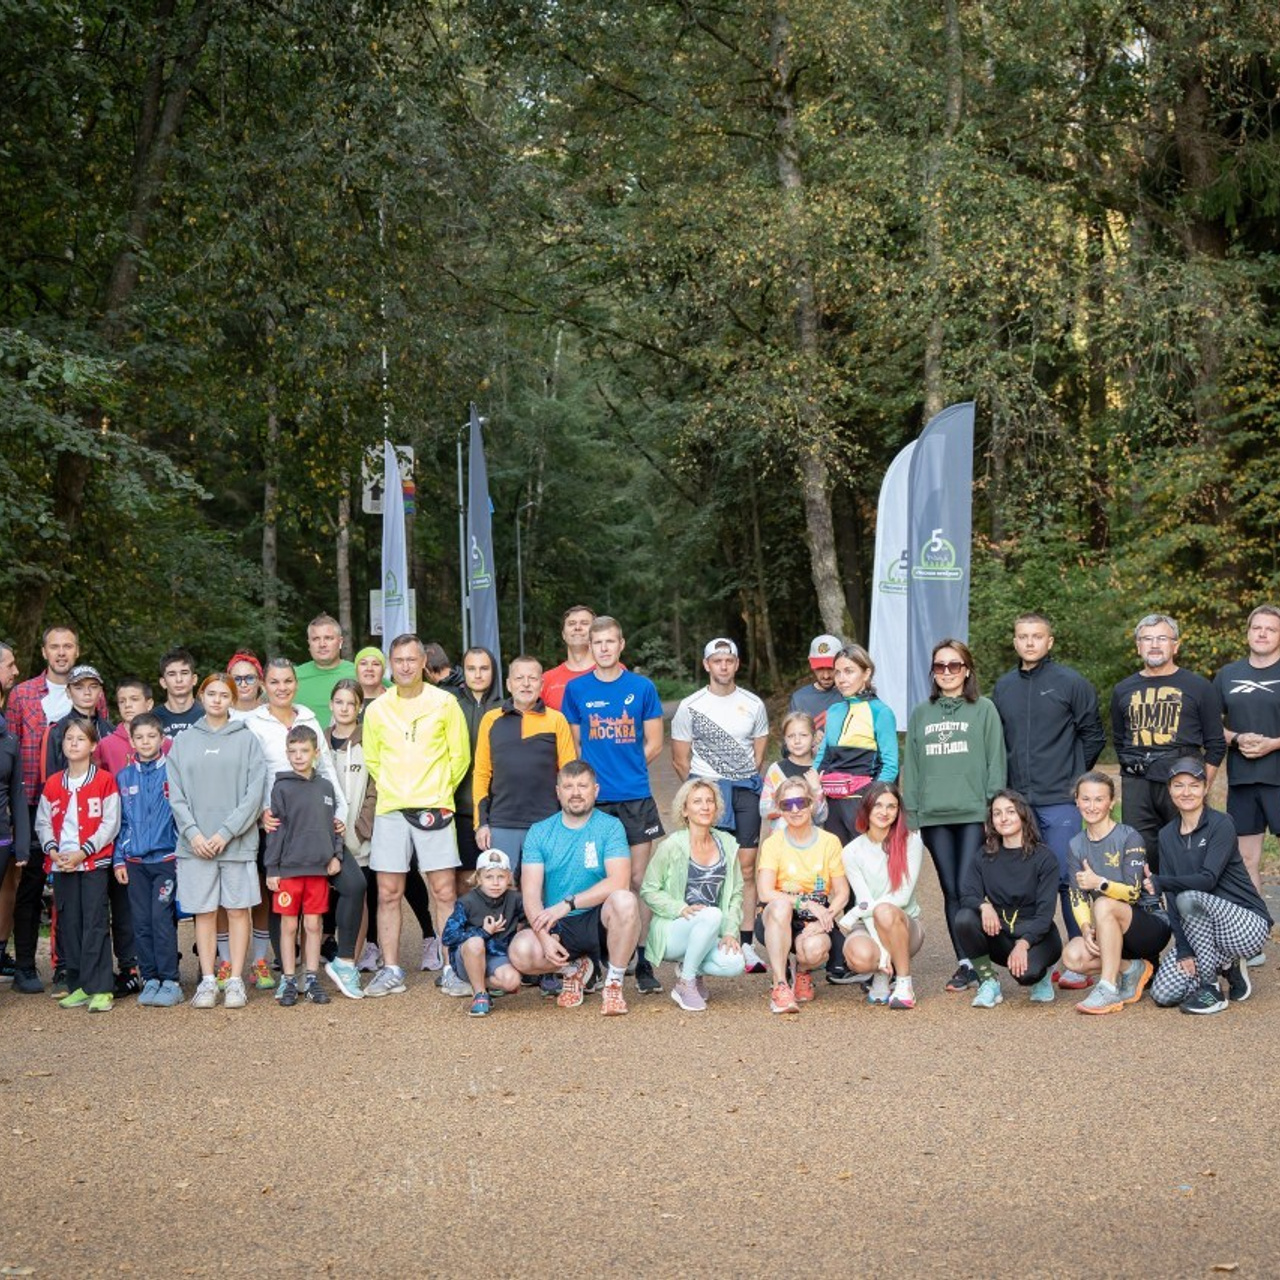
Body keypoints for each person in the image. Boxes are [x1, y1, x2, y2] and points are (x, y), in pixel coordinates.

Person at [991, 612, 1106, 968]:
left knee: (1067, 879)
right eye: (1023, 636)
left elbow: (1093, 735)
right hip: (1018, 801)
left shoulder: (1071, 683)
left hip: (1058, 799)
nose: (1030, 642)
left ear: (1049, 641)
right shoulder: (1004, 687)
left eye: (1037, 636)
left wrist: (1073, 777)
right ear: (1014, 641)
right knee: (1025, 882)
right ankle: (1034, 960)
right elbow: (999, 741)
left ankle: (1080, 956)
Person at [361, 634, 470, 998]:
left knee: (444, 890)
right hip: (391, 808)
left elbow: (459, 756)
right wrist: (396, 789)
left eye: (412, 659)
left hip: (435, 807)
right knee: (388, 891)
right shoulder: (377, 709)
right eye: (399, 660)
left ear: (424, 662)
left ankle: (451, 968)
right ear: (391, 664)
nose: (405, 666)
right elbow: (373, 759)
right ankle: (391, 969)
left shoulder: (444, 702)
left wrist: (438, 791)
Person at [561, 615, 665, 994]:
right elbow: (576, 746)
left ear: (621, 645)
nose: (604, 648)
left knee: (636, 880)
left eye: (610, 642)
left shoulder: (642, 687)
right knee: (596, 880)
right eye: (598, 642)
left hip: (635, 797)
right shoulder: (576, 689)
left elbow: (655, 742)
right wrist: (590, 785)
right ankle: (599, 958)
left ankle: (643, 961)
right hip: (597, 803)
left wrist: (629, 769)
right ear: (590, 647)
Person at [901, 638, 1007, 994]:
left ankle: (982, 960)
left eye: (954, 665)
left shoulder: (984, 709)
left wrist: (993, 809)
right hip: (934, 815)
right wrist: (912, 813)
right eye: (940, 666)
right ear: (933, 672)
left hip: (973, 812)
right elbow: (912, 766)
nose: (947, 672)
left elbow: (996, 760)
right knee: (950, 889)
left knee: (967, 887)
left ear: (967, 670)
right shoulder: (921, 713)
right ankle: (966, 963)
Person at [7, 625, 101, 994]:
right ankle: (25, 966)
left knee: (77, 885)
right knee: (30, 885)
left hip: (83, 806)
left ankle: (71, 965)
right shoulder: (23, 694)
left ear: (77, 651)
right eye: (55, 646)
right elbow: (9, 748)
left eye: (68, 646)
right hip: (33, 802)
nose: (61, 652)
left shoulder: (90, 694)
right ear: (45, 652)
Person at [506, 760, 640, 1016]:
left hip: (600, 919)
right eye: (568, 786)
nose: (575, 793)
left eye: (582, 786)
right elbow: (531, 895)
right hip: (560, 926)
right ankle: (574, 969)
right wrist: (543, 937)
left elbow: (619, 882)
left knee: (625, 900)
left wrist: (568, 904)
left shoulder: (610, 827)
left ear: (595, 790)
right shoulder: (539, 832)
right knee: (520, 951)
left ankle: (613, 984)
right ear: (558, 792)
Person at [166, 673, 267, 1009]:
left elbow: (254, 794)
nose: (217, 700)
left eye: (224, 695)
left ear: (232, 700)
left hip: (236, 843)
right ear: (201, 696)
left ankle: (235, 980)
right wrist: (193, 833)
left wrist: (225, 833)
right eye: (211, 694)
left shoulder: (247, 740)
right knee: (205, 912)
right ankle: (209, 979)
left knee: (237, 910)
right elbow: (176, 794)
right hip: (195, 846)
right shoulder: (184, 741)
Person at [246, 657, 348, 984]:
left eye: (288, 681)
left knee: (336, 893)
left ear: (296, 683)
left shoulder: (308, 718)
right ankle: (287, 972)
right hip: (275, 822)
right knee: (280, 899)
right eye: (274, 682)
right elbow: (250, 773)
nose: (282, 688)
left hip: (314, 823)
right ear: (264, 685)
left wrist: (340, 812)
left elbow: (326, 767)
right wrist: (260, 810)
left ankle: (316, 968)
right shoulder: (253, 722)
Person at [670, 638, 768, 974]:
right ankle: (701, 938)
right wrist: (703, 792)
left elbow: (758, 753)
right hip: (709, 791)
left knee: (747, 867)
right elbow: (680, 759)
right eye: (717, 660)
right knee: (705, 866)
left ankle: (745, 943)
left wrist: (740, 778)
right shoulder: (690, 705)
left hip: (744, 791)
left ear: (736, 664)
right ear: (706, 664)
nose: (723, 666)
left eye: (729, 660)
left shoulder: (753, 704)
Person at [1147, 757, 1273, 1015]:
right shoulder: (1166, 835)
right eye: (1179, 785)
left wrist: (1160, 881)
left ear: (1205, 789)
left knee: (1189, 898)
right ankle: (1226, 965)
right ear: (1170, 790)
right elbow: (1171, 897)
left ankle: (1211, 989)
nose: (1186, 792)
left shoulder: (1221, 823)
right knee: (1163, 994)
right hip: (1202, 931)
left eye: (1194, 785)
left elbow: (1207, 880)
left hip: (1245, 924)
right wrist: (1184, 949)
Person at [1109, 613, 1225, 870]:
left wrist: (1201, 784)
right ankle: (1148, 898)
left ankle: (1187, 897)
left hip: (1182, 778)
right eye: (1147, 639)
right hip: (1138, 784)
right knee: (1140, 853)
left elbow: (1216, 744)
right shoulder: (1122, 689)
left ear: (1176, 645)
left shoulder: (1198, 687)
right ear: (1138, 646)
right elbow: (1119, 740)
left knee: (1186, 853)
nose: (1154, 644)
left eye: (1162, 638)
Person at [1059, 771, 1168, 1015]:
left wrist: (1100, 883)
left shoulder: (1130, 837)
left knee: (1103, 904)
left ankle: (1107, 988)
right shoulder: (1076, 844)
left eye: (1099, 799)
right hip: (1111, 931)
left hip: (1149, 926)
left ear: (1111, 802)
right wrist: (1085, 928)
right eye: (1086, 799)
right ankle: (1132, 969)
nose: (1092, 806)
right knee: (1072, 956)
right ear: (1076, 801)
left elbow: (1133, 893)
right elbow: (1077, 895)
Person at [34, 717, 120, 1012]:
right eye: (69, 738)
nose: (73, 743)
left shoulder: (104, 780)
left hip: (92, 862)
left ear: (93, 745)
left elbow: (110, 822)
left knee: (95, 922)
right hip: (62, 864)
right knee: (69, 923)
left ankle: (101, 987)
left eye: (80, 739)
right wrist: (53, 850)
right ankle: (80, 985)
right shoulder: (53, 783)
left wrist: (84, 852)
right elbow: (43, 821)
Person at [639, 778, 746, 1012]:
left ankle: (691, 969)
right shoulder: (671, 846)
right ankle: (686, 983)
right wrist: (679, 908)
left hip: (710, 927)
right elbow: (648, 889)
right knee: (712, 914)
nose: (705, 807)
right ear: (685, 810)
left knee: (734, 963)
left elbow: (736, 893)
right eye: (697, 801)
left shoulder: (727, 844)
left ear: (716, 807)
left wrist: (730, 932)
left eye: (710, 801)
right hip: (673, 929)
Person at [1213, 604, 1280, 967]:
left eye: (1271, 629)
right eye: (1257, 628)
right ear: (1248, 632)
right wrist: (1237, 738)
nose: (1263, 634)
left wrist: (1273, 743)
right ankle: (1254, 938)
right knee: (1246, 860)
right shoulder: (1228, 674)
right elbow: (1210, 723)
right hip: (1242, 781)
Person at [955, 791, 1063, 1008]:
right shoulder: (985, 855)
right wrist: (984, 906)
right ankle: (988, 981)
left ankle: (1043, 974)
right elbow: (967, 894)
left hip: (1037, 934)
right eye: (997, 813)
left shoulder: (1044, 857)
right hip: (1001, 933)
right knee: (964, 919)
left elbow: (1045, 914)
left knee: (1027, 975)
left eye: (1010, 812)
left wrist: (1023, 944)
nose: (1003, 818)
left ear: (1023, 815)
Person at [264, 725, 344, 1007]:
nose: (298, 756)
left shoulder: (325, 787)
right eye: (293, 751)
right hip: (288, 870)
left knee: (313, 924)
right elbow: (276, 831)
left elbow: (334, 826)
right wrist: (272, 868)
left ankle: (311, 979)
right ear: (287, 754)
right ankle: (288, 979)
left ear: (315, 753)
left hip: (318, 870)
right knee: (288, 926)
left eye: (304, 751)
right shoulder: (281, 787)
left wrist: (336, 855)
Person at [754, 775, 849, 1015]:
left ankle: (802, 971)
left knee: (815, 949)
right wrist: (804, 902)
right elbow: (765, 892)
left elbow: (842, 893)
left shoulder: (829, 842)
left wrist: (825, 918)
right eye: (787, 804)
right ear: (779, 809)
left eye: (801, 802)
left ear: (812, 804)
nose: (795, 810)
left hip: (814, 918)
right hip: (777, 918)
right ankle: (780, 985)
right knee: (780, 906)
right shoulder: (773, 843)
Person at [473, 655, 576, 869]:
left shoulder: (556, 720)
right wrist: (481, 823)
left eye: (532, 678)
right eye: (519, 678)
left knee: (544, 886)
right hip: (501, 823)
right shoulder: (491, 720)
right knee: (501, 884)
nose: (526, 684)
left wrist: (569, 821)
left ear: (541, 684)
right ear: (509, 684)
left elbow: (569, 774)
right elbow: (481, 774)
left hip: (547, 822)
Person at [112, 712, 182, 1006]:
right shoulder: (124, 777)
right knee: (140, 922)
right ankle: (150, 977)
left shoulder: (174, 773)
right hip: (135, 862)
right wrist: (119, 859)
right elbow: (121, 823)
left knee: (160, 919)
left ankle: (171, 980)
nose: (145, 742)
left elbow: (182, 816)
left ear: (162, 739)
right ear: (131, 741)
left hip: (166, 859)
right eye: (139, 737)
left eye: (151, 736)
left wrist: (183, 854)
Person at [837, 782, 925, 1010]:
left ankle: (904, 983)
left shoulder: (911, 841)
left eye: (891, 806)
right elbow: (865, 901)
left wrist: (853, 913)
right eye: (878, 805)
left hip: (904, 925)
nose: (884, 812)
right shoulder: (851, 851)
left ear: (898, 811)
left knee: (884, 911)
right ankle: (881, 973)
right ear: (867, 807)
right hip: (868, 923)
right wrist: (883, 953)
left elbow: (902, 897)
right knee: (859, 957)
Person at [814, 644, 898, 843]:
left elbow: (890, 765)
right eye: (838, 672)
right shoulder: (834, 711)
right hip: (833, 803)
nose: (841, 679)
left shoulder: (881, 712)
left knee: (867, 860)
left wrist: (874, 802)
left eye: (849, 671)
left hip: (862, 802)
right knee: (836, 860)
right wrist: (810, 783)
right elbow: (823, 757)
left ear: (866, 673)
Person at [324, 679, 376, 999]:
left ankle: (351, 963)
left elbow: (375, 786)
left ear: (359, 707)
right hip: (323, 837)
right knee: (321, 897)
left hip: (357, 836)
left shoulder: (368, 740)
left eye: (351, 703)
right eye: (339, 702)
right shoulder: (320, 740)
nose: (344, 708)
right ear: (331, 705)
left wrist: (361, 827)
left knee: (360, 894)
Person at [440, 848, 526, 1017]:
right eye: (489, 877)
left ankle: (479, 982)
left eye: (501, 877)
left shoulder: (515, 899)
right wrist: (483, 932)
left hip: (497, 957)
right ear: (478, 878)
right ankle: (479, 993)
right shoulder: (466, 902)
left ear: (509, 878)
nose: (495, 883)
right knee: (476, 941)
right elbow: (448, 936)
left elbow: (532, 920)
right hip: (468, 957)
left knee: (512, 982)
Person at [449, 646, 503, 898]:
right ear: (464, 671)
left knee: (499, 877)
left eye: (484, 668)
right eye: (471, 669)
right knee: (464, 880)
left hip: (499, 809)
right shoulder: (452, 708)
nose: (478, 674)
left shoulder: (506, 709)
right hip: (461, 808)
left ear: (494, 671)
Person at [759, 711, 829, 837]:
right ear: (785, 740)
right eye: (791, 736)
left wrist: (816, 789)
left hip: (812, 842)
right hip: (781, 841)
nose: (797, 741)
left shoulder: (819, 771)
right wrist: (793, 805)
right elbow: (764, 809)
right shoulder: (776, 770)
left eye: (803, 735)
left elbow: (821, 817)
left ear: (814, 738)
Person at [294, 614, 357, 728]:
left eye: (328, 638)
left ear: (340, 642)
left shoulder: (359, 673)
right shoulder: (291, 677)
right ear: (309, 644)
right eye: (316, 639)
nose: (322, 644)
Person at [786, 634, 845, 746]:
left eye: (831, 668)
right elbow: (787, 747)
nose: (826, 676)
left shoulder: (850, 695)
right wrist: (808, 738)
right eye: (820, 668)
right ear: (811, 665)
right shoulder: (800, 699)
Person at [540, 604, 596, 712]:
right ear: (563, 635)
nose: (577, 627)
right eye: (571, 624)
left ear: (595, 633)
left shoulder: (613, 670)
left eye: (584, 623)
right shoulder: (547, 680)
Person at [98, 677, 159, 775]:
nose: (127, 705)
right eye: (122, 701)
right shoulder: (105, 745)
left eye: (134, 699)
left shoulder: (164, 743)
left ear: (149, 704)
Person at [154, 647, 203, 738]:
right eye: (172, 674)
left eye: (184, 673)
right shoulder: (153, 719)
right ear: (163, 682)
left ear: (194, 679)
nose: (179, 679)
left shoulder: (208, 715)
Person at [227, 650, 266, 717]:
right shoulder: (218, 715)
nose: (243, 685)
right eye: (237, 679)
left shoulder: (272, 714)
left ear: (260, 681)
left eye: (250, 678)